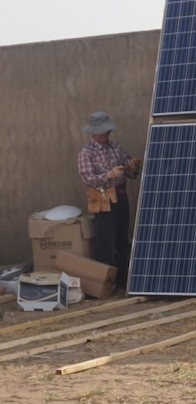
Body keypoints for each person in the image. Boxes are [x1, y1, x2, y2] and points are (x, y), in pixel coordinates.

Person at [77, 111, 141, 290]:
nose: (104, 135)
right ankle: (105, 283)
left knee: (122, 237)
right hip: (103, 199)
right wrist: (108, 175)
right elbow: (87, 179)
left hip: (120, 197)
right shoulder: (86, 153)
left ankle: (121, 280)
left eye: (106, 131)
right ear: (93, 133)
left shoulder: (115, 147)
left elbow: (130, 169)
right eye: (101, 132)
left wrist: (131, 167)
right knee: (106, 241)